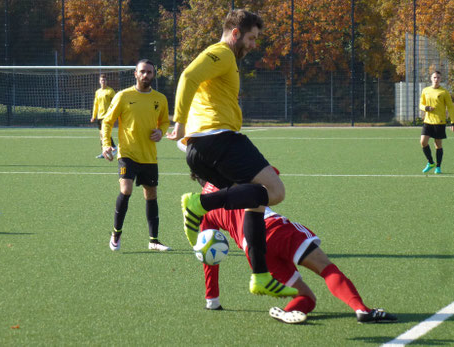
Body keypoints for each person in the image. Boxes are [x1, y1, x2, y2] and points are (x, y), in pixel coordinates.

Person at [167, 9, 296, 297]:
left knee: (253, 198)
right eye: (251, 38)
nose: (253, 45)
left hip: (205, 147)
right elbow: (188, 75)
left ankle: (260, 277)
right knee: (274, 191)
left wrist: (186, 135)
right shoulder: (222, 53)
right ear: (235, 33)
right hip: (221, 141)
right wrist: (179, 121)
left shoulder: (227, 62)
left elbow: (198, 90)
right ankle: (198, 204)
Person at [197, 176, 398, 324]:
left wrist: (212, 299)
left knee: (307, 299)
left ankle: (288, 311)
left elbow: (209, 256)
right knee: (325, 268)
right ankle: (361, 309)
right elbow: (268, 177)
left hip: (255, 252)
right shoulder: (235, 177)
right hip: (274, 229)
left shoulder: (204, 208)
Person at [101, 59, 171, 252]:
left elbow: (164, 122)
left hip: (149, 155)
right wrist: (106, 144)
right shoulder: (123, 96)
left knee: (151, 194)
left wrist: (161, 132)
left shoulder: (160, 99)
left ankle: (154, 240)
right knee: (126, 190)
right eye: (142, 71)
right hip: (127, 153)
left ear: (153, 75)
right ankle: (116, 234)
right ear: (135, 74)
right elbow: (107, 121)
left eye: (149, 72)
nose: (146, 75)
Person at [419, 70, 454, 174]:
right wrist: (426, 108)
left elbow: (451, 108)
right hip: (428, 121)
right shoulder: (425, 90)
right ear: (431, 78)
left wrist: (453, 122)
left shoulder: (444, 92)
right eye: (434, 77)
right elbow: (421, 104)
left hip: (439, 122)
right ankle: (430, 162)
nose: (436, 79)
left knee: (438, 145)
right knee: (423, 142)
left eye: (438, 78)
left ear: (440, 79)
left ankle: (438, 167)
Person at [91, 73, 117, 159]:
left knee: (104, 133)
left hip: (107, 116)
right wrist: (93, 116)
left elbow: (116, 103)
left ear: (107, 81)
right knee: (101, 135)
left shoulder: (110, 91)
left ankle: (113, 147)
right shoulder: (97, 92)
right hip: (99, 116)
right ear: (99, 81)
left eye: (104, 80)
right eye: (102, 80)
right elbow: (96, 104)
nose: (103, 81)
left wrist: (115, 113)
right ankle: (105, 151)